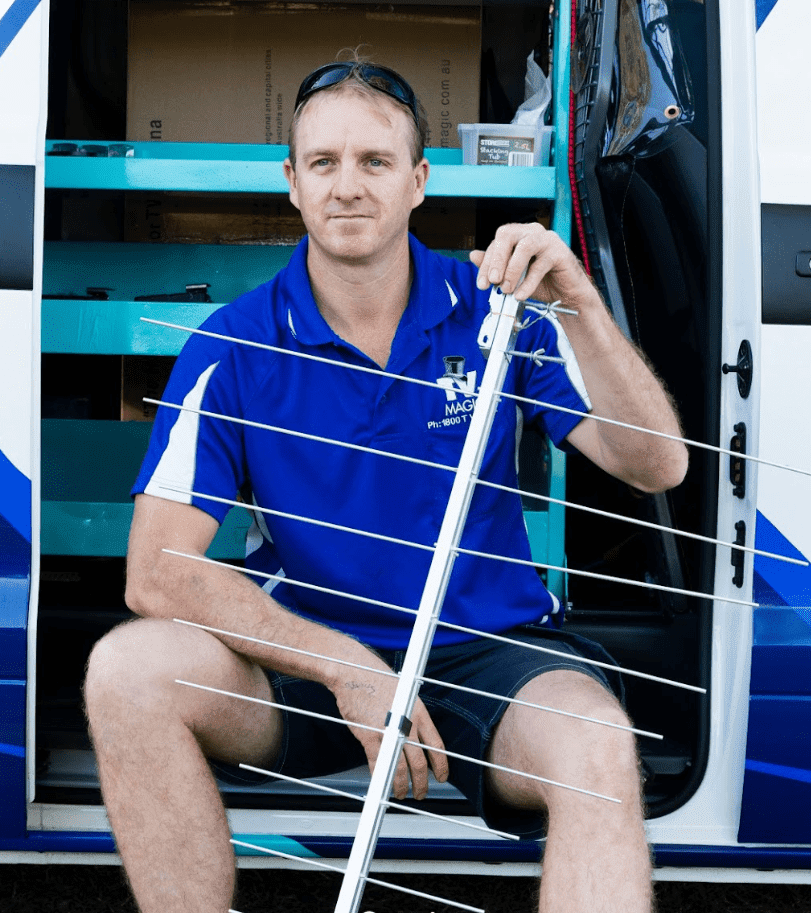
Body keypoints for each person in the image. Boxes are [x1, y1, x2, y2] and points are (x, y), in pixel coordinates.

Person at [84, 60, 688, 913]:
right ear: (292, 184)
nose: (347, 186)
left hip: (487, 648)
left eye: (374, 161)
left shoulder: (497, 311)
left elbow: (655, 463)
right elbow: (156, 573)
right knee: (126, 669)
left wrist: (576, 300)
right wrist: (347, 668)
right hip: (308, 658)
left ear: (418, 180)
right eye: (323, 163)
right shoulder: (233, 346)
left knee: (594, 743)